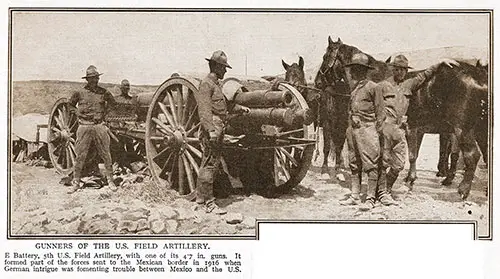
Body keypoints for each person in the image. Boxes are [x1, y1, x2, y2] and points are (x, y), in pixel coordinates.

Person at [376, 55, 459, 202]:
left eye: (403, 70)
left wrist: (440, 62)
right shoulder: (382, 85)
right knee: (384, 161)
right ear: (393, 69)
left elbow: (425, 74)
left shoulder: (410, 84)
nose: (400, 72)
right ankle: (381, 193)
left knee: (399, 164)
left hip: (400, 129)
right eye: (398, 69)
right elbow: (375, 106)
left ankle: (386, 188)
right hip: (386, 127)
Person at [192, 50, 249, 214]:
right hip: (213, 128)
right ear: (216, 66)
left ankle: (201, 200)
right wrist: (210, 130)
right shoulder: (206, 84)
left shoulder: (216, 85)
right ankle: (208, 202)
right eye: (224, 67)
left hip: (219, 127)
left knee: (210, 164)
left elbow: (224, 108)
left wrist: (240, 109)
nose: (225, 70)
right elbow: (204, 111)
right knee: (210, 164)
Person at [339, 53, 385, 211]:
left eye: (355, 69)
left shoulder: (373, 87)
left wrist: (375, 132)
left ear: (362, 71)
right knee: (354, 163)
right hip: (353, 129)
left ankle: (371, 198)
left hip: (367, 128)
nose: (351, 72)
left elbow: (381, 112)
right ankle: (354, 195)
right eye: (351, 69)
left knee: (371, 164)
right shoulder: (354, 88)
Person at [67, 65, 117, 194]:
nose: (95, 80)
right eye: (92, 78)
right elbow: (70, 105)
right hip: (84, 126)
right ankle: (76, 182)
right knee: (80, 155)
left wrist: (105, 115)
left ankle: (110, 180)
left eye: (96, 78)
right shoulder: (79, 93)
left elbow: (113, 104)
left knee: (106, 154)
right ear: (87, 80)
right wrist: (77, 113)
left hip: (99, 125)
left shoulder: (104, 92)